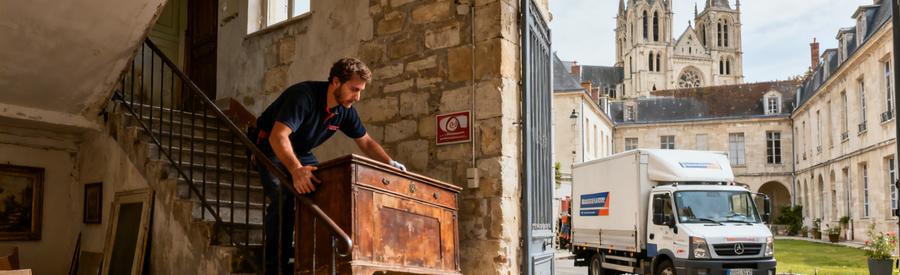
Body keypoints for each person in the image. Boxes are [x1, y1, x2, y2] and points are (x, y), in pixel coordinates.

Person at [254, 57, 405, 274]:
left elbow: (366, 142)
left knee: (326, 190)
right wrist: (296, 170)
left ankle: (312, 260)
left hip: (301, 151)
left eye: (361, 90)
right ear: (335, 81)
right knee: (283, 197)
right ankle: (274, 267)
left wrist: (390, 164)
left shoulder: (345, 110)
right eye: (354, 89)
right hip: (270, 146)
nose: (358, 97)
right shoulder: (303, 96)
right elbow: (278, 137)